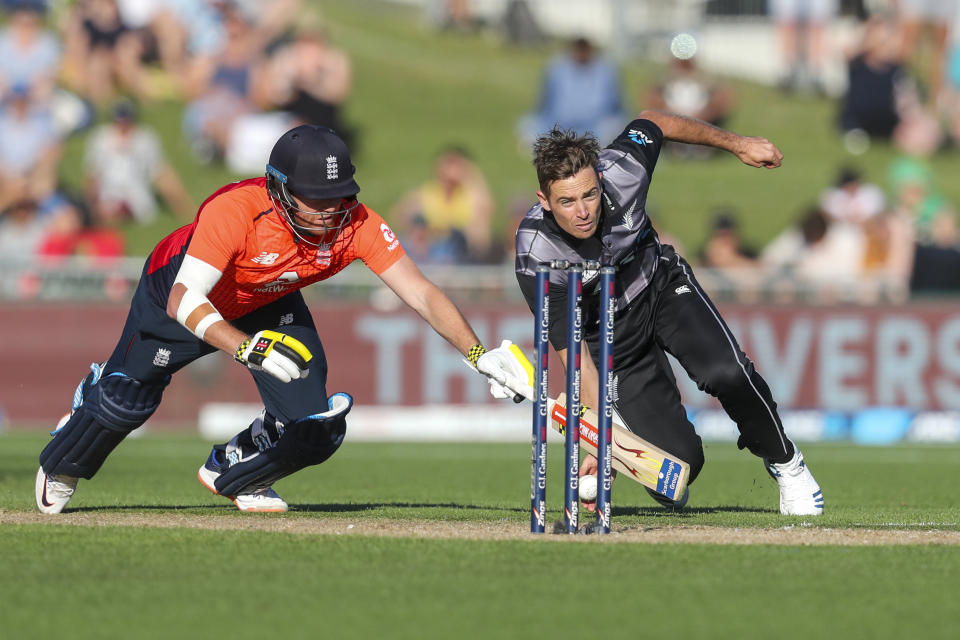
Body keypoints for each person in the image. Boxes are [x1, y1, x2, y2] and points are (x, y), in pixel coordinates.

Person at [34, 124, 521, 514]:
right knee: (124, 403)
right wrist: (244, 348)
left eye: (340, 197)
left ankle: (237, 467)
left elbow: (421, 293)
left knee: (315, 425)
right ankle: (75, 434)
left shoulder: (356, 221)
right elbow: (185, 298)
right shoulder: (236, 210)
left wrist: (478, 355)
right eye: (316, 199)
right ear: (280, 188)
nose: (331, 213)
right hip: (179, 289)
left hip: (268, 299)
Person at [508, 112, 824, 516]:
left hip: (660, 287)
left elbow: (655, 121)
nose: (583, 211)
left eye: (589, 195)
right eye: (566, 202)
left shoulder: (623, 168)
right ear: (544, 201)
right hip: (607, 337)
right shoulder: (536, 253)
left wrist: (738, 144)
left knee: (726, 371)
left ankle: (787, 463)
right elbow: (574, 354)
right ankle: (643, 443)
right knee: (679, 469)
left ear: (600, 180)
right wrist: (597, 439)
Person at [84, 97, 195, 225]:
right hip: (107, 192)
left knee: (111, 210)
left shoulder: (145, 139)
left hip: (135, 195)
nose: (123, 126)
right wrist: (89, 204)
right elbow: (92, 175)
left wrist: (185, 208)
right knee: (100, 209)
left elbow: (162, 173)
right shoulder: (100, 139)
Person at [389, 146, 495, 263]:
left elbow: (486, 214)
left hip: (460, 251)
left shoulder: (470, 194)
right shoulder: (428, 192)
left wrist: (471, 175)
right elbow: (398, 215)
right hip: (431, 248)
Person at [517, 37, 626, 148]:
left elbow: (617, 103)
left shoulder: (606, 69)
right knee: (528, 126)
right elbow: (544, 101)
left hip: (596, 127)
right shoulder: (557, 68)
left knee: (613, 128)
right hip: (557, 124)